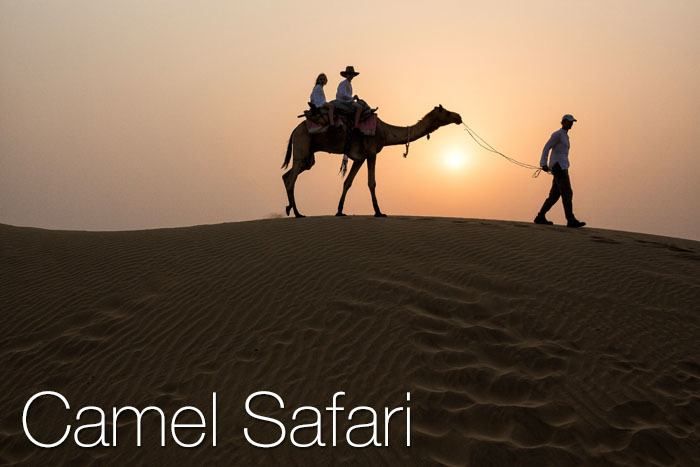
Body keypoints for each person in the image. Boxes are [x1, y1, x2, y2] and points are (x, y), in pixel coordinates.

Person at [534, 114, 586, 228]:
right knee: (567, 192)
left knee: (554, 195)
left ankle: (540, 216)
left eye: (572, 122)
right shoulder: (557, 134)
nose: (571, 123)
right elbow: (546, 147)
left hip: (563, 167)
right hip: (558, 168)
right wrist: (543, 163)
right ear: (563, 122)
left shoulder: (565, 136)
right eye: (569, 121)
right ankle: (570, 220)